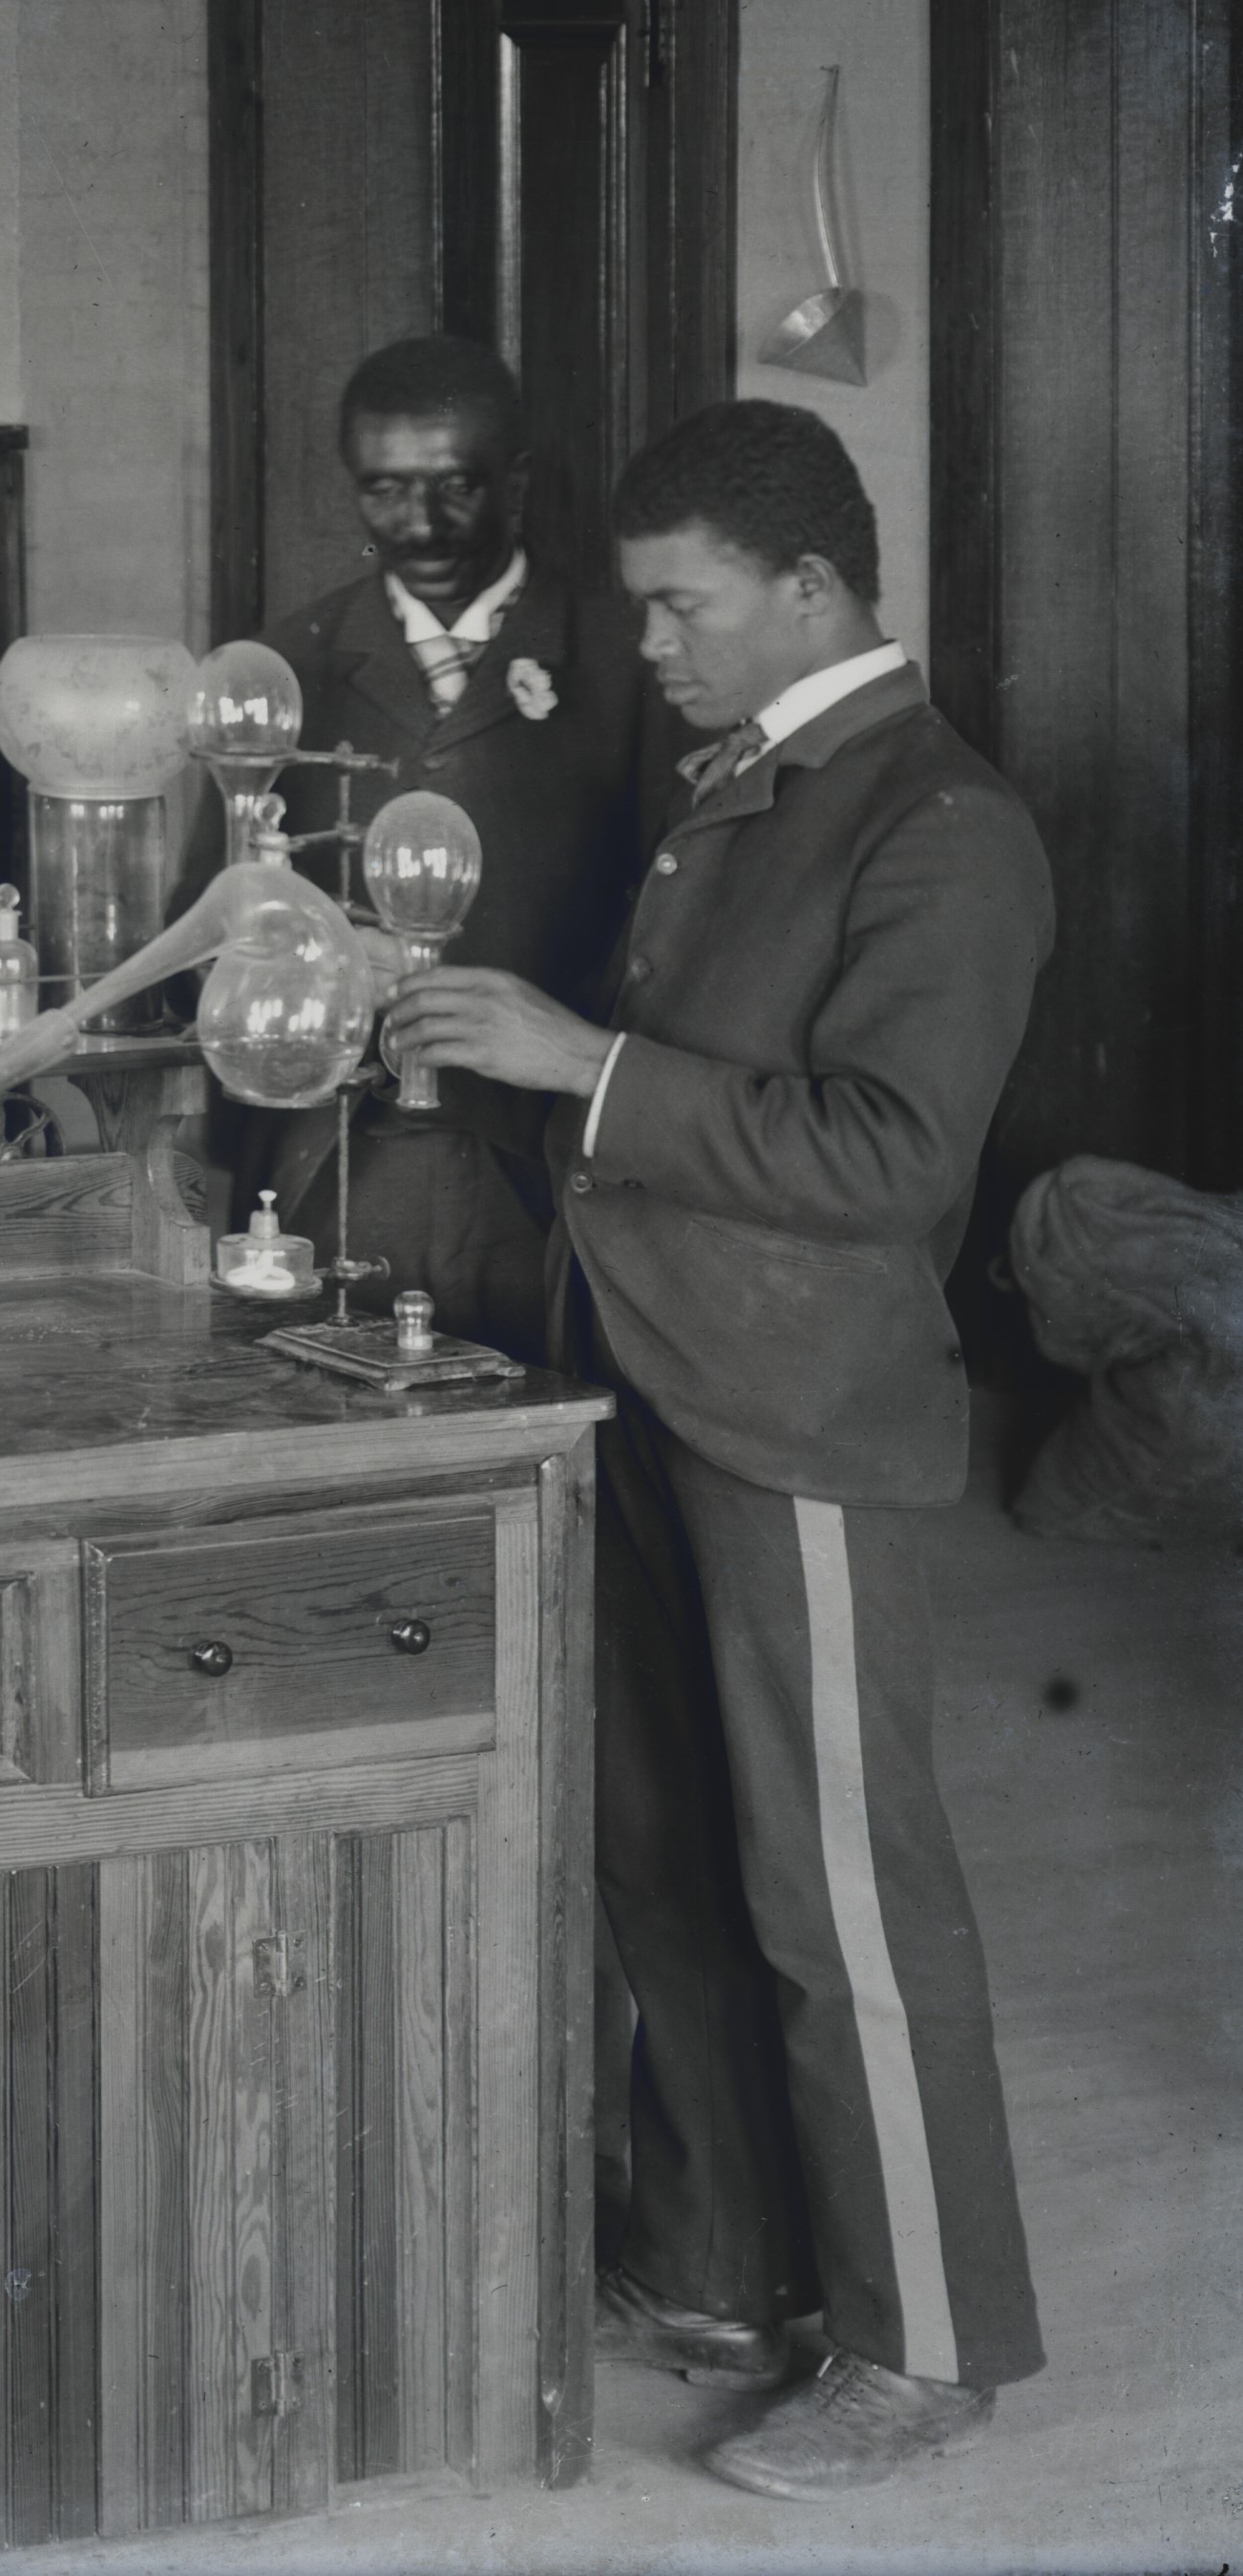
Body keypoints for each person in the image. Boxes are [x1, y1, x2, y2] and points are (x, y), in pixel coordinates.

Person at [382, 399, 1046, 2503]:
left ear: (808, 589)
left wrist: (577, 1058)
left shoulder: (936, 822)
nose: (644, 638)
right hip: (644, 1376)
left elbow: (879, 1152)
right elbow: (637, 1103)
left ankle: (922, 2341)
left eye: (675, 601)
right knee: (660, 1853)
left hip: (795, 1410)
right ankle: (714, 2269)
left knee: (837, 1892)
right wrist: (455, 1035)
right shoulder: (731, 782)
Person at [232, 333, 680, 1355]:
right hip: (333, 1162)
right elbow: (213, 921)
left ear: (514, 482)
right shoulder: (284, 661)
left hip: (549, 1167)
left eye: (453, 487)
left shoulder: (629, 659)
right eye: (382, 490)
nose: (419, 524)